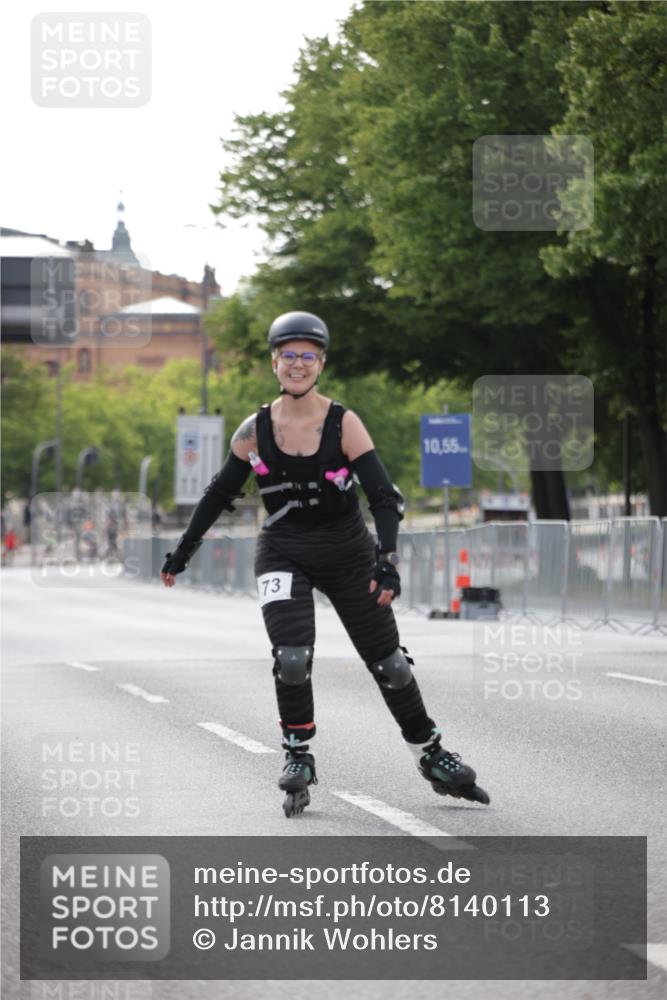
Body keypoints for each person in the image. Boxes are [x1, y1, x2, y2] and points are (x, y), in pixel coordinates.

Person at [161, 311, 489, 817]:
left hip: (348, 551)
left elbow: (384, 498)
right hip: (282, 550)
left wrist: (388, 561)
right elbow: (218, 493)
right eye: (288, 355)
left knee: (391, 665)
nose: (297, 364)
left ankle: (430, 754)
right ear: (274, 363)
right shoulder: (253, 431)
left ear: (321, 363)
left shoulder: (344, 423)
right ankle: (297, 755)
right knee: (292, 658)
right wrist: (183, 552)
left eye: (307, 356)